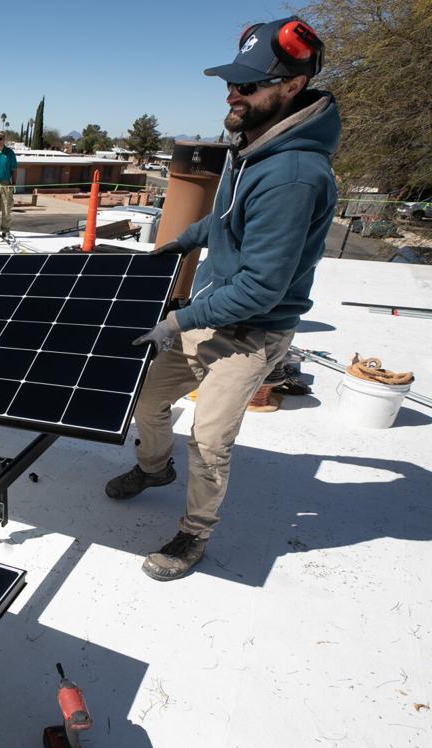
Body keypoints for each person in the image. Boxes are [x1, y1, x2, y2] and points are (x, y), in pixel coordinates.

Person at [111, 16, 339, 580]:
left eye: (248, 85)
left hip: (252, 331)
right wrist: (183, 242)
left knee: (209, 438)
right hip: (212, 312)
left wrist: (177, 320)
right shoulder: (254, 144)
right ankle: (154, 468)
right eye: (230, 84)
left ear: (291, 86)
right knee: (145, 398)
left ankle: (193, 535)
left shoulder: (293, 174)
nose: (233, 94)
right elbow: (229, 216)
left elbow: (261, 288)